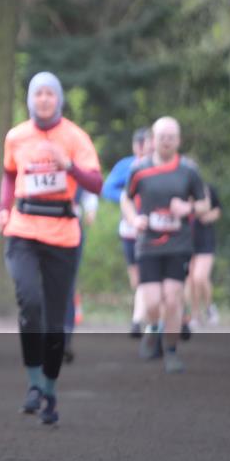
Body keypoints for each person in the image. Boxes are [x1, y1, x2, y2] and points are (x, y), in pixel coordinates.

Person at [0, 72, 102, 424]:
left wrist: (68, 165)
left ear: (58, 99)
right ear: (30, 99)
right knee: (30, 302)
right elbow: (10, 174)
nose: (43, 99)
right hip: (22, 230)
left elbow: (96, 184)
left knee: (55, 321)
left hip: (63, 234)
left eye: (49, 94)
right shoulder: (16, 136)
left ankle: (50, 390)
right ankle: (33, 384)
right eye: (37, 94)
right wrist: (3, 209)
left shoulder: (75, 137)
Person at [120, 117, 209, 374]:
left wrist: (188, 207)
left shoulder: (189, 170)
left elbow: (204, 204)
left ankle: (171, 351)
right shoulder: (140, 170)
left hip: (177, 244)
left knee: (172, 299)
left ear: (179, 140)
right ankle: (153, 330)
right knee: (150, 303)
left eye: (172, 137)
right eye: (162, 137)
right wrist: (134, 219)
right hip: (148, 244)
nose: (167, 141)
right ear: (153, 140)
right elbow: (126, 199)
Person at [101, 127, 153, 338]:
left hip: (152, 230)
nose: (142, 149)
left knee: (147, 277)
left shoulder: (159, 166)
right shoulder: (125, 165)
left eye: (146, 144)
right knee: (137, 279)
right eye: (138, 145)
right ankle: (146, 317)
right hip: (129, 230)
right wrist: (127, 198)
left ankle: (139, 320)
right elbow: (107, 189)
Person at [63, 186, 98, 363]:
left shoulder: (75, 161)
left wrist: (90, 208)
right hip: (38, 229)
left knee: (67, 284)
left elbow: (89, 185)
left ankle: (65, 339)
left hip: (71, 228)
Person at [186, 182, 222, 327]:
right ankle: (194, 314)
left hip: (205, 240)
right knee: (190, 280)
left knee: (200, 277)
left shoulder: (206, 189)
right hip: (186, 240)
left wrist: (208, 216)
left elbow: (217, 209)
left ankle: (209, 307)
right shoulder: (178, 188)